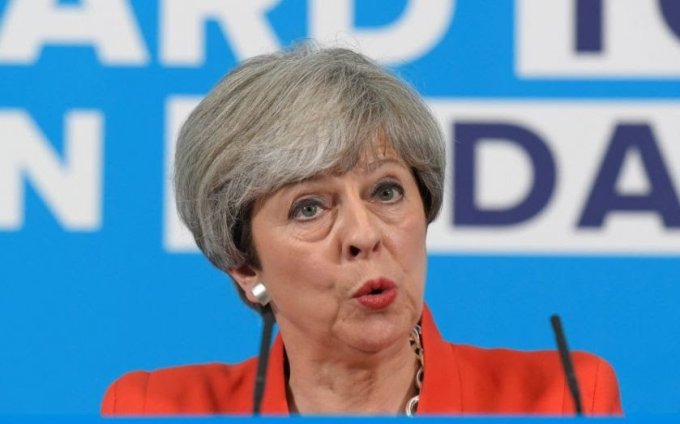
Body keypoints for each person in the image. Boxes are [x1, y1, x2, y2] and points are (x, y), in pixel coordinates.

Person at [101, 44, 622, 416]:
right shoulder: (155, 408)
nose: (363, 234)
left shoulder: (563, 399)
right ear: (243, 265)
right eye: (309, 208)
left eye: (386, 191)